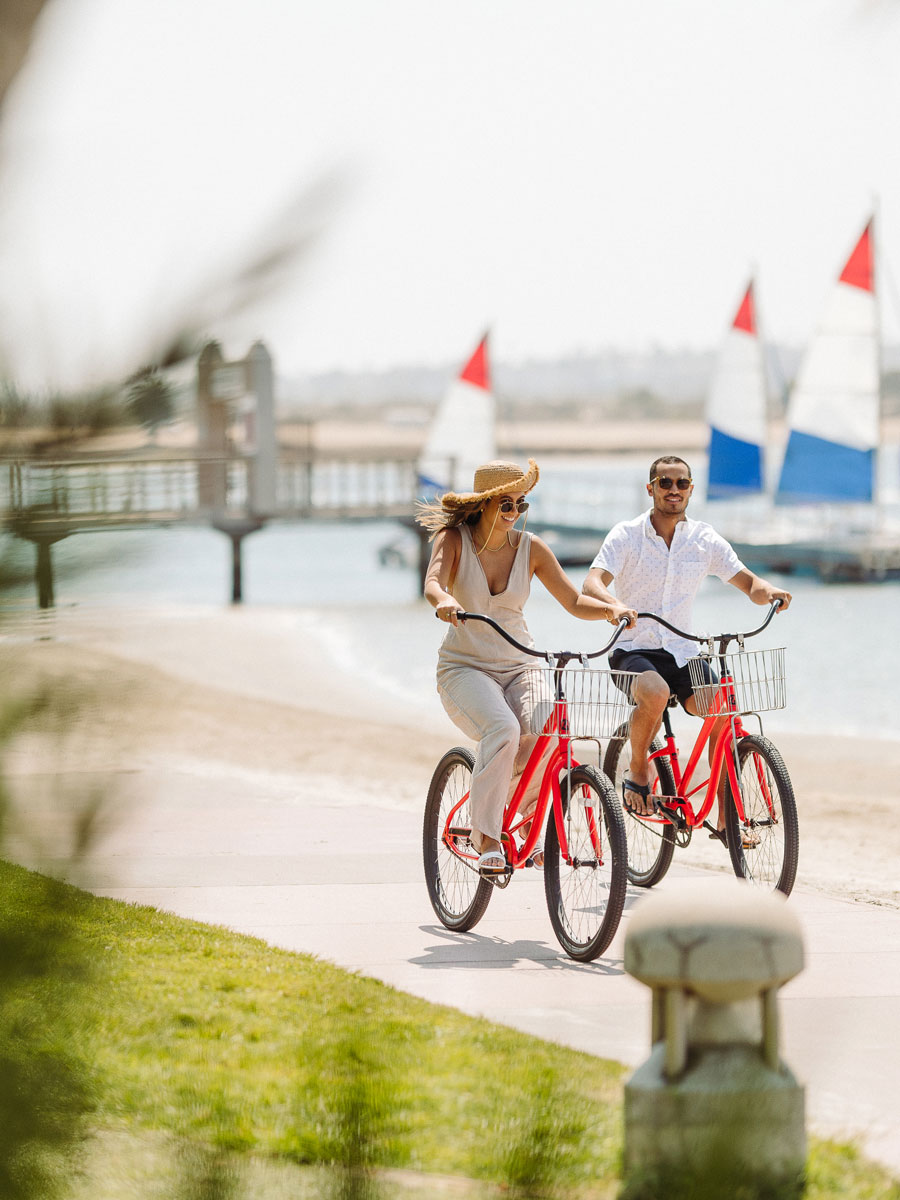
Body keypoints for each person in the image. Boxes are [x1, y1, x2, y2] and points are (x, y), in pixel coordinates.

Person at [418, 458, 636, 875]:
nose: (514, 512)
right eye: (506, 504)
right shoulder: (454, 539)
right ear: (484, 504)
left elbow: (574, 602)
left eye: (522, 504)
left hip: (522, 663)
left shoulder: (531, 548)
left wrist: (612, 610)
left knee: (550, 729)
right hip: (466, 668)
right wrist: (444, 601)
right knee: (504, 730)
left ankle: (526, 820)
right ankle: (486, 836)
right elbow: (432, 582)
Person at [582, 454, 792, 842]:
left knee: (724, 711)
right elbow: (592, 583)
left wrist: (771, 592)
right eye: (665, 483)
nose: (673, 490)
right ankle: (639, 767)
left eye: (681, 483)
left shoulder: (703, 539)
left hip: (683, 651)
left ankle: (727, 816)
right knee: (655, 693)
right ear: (651, 489)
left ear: (691, 489)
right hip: (633, 648)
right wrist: (613, 606)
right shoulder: (626, 535)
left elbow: (748, 583)